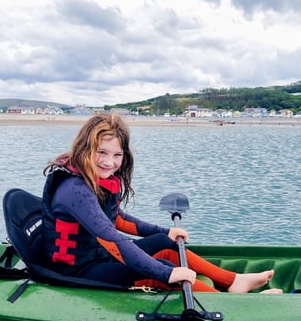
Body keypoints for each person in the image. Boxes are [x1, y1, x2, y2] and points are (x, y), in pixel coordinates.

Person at [41, 113, 282, 294]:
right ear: (84, 148)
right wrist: (166, 273)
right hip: (77, 271)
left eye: (117, 155)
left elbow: (118, 219)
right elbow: (112, 239)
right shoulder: (74, 190)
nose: (109, 162)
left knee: (165, 244)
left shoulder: (96, 178)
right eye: (101, 152)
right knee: (161, 269)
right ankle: (226, 303)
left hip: (98, 256)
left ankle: (233, 281)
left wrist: (164, 231)